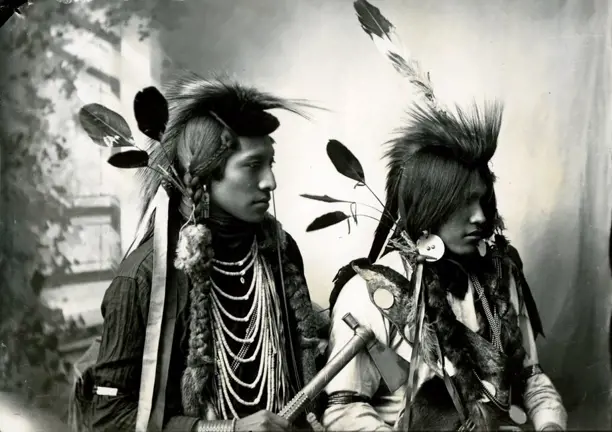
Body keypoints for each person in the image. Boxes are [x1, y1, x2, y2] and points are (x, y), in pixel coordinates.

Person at [72, 75, 327, 432]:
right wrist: (228, 430)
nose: (271, 182)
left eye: (271, 163)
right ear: (205, 176)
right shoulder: (144, 278)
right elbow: (109, 418)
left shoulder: (278, 252)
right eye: (253, 166)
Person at [320, 101, 568, 431]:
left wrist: (550, 424)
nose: (479, 216)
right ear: (429, 206)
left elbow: (530, 380)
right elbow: (345, 412)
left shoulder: (501, 275)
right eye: (463, 202)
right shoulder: (368, 292)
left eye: (482, 200)